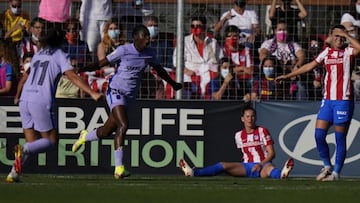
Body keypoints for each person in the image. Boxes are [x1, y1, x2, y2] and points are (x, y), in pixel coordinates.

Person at [71, 25, 182, 179]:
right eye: (145, 36)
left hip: (130, 96)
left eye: (149, 36)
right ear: (136, 38)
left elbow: (159, 69)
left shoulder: (149, 53)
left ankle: (84, 137)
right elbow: (102, 63)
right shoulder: (124, 50)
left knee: (106, 131)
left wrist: (173, 83)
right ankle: (119, 168)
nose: (148, 39)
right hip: (115, 91)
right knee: (124, 124)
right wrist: (82, 69)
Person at [5, 22, 103, 183]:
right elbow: (72, 75)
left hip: (25, 100)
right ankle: (24, 149)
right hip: (41, 100)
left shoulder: (39, 54)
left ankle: (13, 173)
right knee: (51, 141)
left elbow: (25, 76)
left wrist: (18, 95)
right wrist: (92, 92)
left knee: (34, 142)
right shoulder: (59, 55)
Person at [275, 24, 360, 181]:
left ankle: (336, 173)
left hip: (343, 101)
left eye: (341, 36)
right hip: (327, 100)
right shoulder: (326, 52)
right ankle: (327, 166)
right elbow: (309, 66)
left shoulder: (349, 52)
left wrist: (346, 35)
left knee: (340, 138)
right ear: (330, 36)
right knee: (319, 135)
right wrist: (288, 76)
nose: (339, 39)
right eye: (336, 35)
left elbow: (359, 47)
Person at [179, 106, 294, 179]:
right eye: (247, 116)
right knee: (223, 165)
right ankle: (194, 173)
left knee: (269, 170)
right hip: (246, 166)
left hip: (263, 164)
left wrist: (260, 164)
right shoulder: (238, 135)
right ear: (242, 119)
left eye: (253, 116)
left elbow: (271, 153)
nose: (250, 119)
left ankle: (282, 174)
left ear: (256, 118)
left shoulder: (262, 131)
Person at [173, 16, 222, 99]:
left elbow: (220, 58)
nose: (195, 28)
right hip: (190, 74)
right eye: (193, 26)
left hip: (208, 74)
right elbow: (176, 61)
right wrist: (185, 70)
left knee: (214, 85)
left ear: (204, 27)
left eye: (198, 26)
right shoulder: (184, 41)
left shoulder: (212, 42)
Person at [259, 20, 306, 100]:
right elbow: (262, 54)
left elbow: (302, 55)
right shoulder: (268, 43)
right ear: (275, 31)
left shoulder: (293, 45)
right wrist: (275, 63)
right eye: (279, 30)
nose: (282, 32)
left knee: (300, 87)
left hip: (290, 75)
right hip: (274, 74)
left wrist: (297, 66)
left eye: (284, 30)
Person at [144, 15, 174, 99]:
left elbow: (170, 63)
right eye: (150, 26)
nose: (153, 28)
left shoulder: (165, 44)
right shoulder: (139, 45)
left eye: (155, 26)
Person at [223, 25, 254, 100]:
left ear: (239, 37)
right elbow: (226, 71)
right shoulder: (223, 51)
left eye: (235, 36)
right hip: (230, 80)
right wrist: (243, 68)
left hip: (245, 81)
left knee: (252, 81)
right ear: (225, 39)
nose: (232, 38)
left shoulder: (245, 50)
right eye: (229, 36)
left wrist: (235, 70)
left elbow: (251, 71)